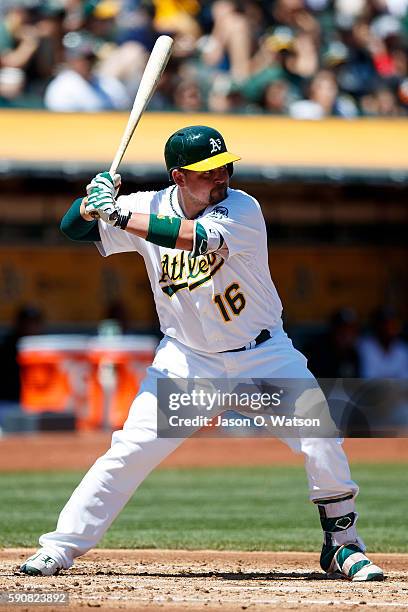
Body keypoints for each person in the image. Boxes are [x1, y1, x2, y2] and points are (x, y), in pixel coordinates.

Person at [20, 126, 383, 582]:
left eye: (225, 165)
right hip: (188, 363)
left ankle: (343, 546)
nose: (222, 176)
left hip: (262, 357)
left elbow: (191, 238)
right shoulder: (141, 206)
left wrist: (115, 215)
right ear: (178, 176)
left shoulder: (242, 208)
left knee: (321, 440)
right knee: (128, 452)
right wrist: (89, 203)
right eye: (208, 171)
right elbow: (73, 230)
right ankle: (59, 549)